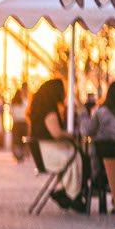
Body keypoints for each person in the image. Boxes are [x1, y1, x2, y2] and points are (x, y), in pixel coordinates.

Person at [28, 77, 84, 212]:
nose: (64, 93)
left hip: (43, 150)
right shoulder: (49, 111)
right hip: (47, 151)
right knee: (75, 156)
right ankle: (71, 194)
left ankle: (65, 191)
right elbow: (56, 133)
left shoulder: (40, 108)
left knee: (73, 156)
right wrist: (70, 135)